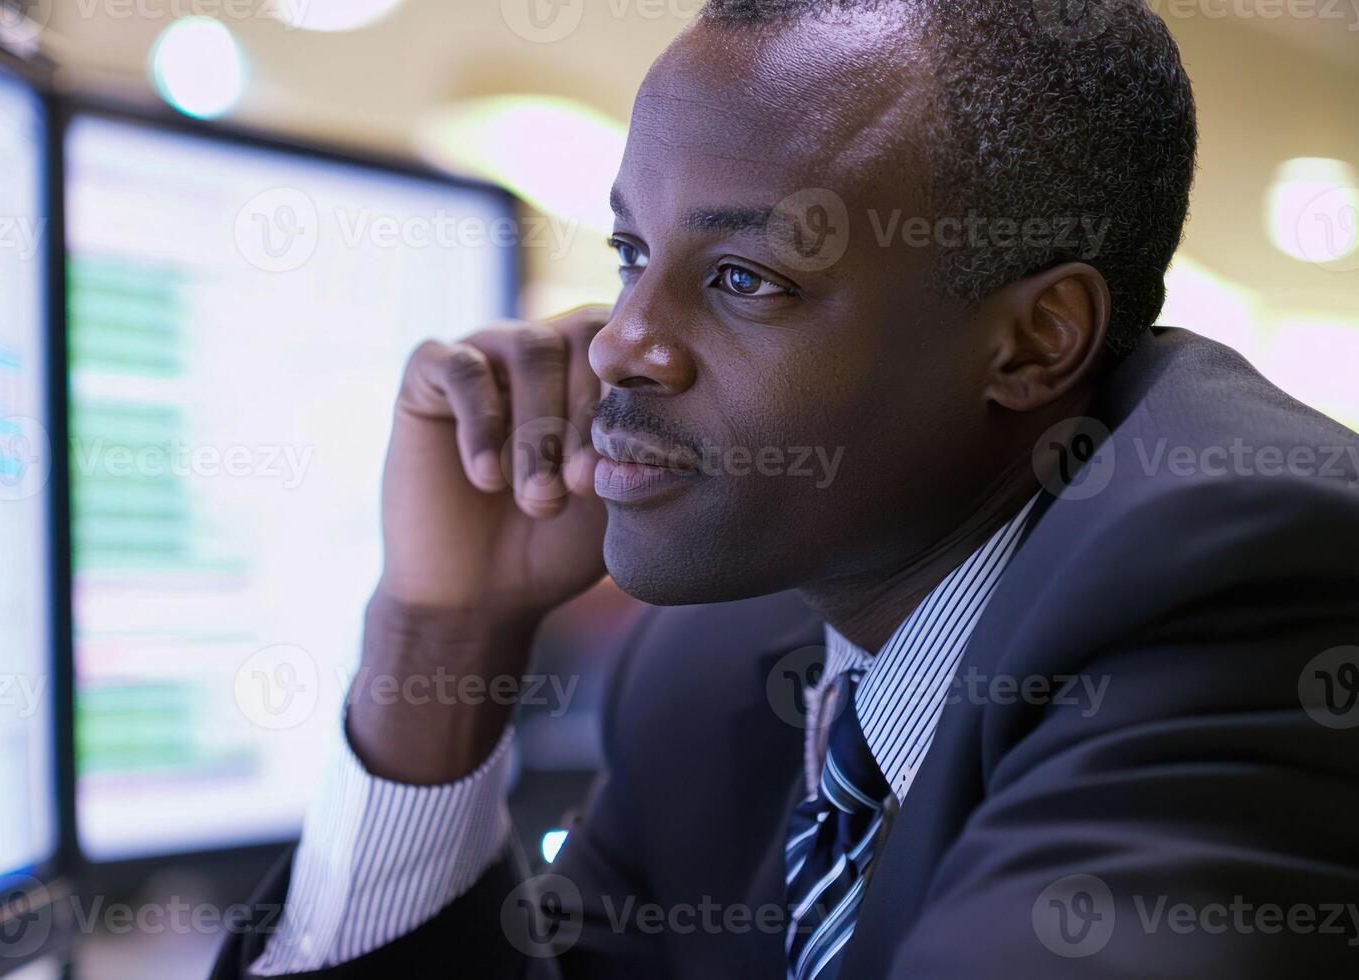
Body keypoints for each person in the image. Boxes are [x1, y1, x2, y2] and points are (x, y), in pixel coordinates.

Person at [214, 1, 1359, 976]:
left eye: (745, 276)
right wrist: (442, 633)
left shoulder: (1236, 582)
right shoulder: (716, 671)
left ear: (1033, 343)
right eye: (629, 254)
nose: (621, 342)